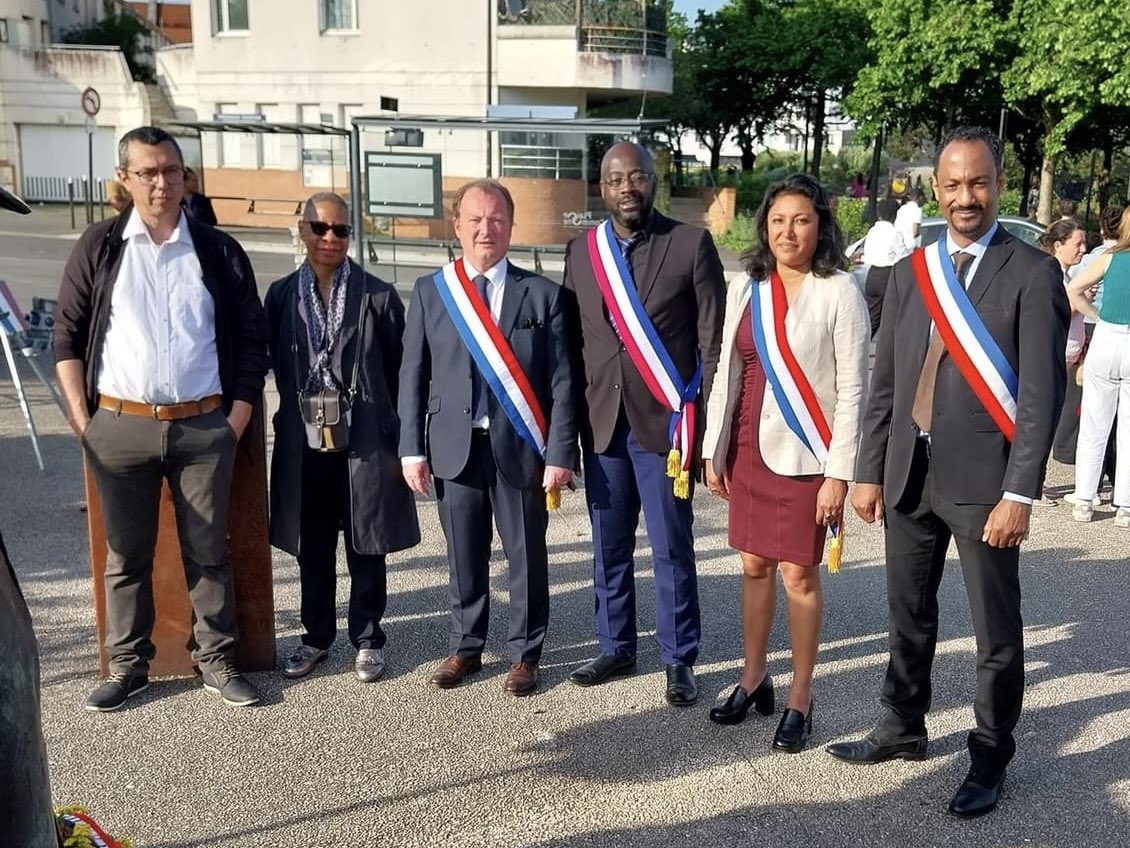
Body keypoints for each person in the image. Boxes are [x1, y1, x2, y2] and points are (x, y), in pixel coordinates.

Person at [827, 127, 1068, 818]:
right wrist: (869, 470)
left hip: (988, 484)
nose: (967, 197)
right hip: (910, 473)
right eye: (954, 185)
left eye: (980, 183)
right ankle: (902, 726)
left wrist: (1020, 491)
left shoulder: (1031, 272)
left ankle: (991, 754)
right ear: (936, 189)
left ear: (999, 185)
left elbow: (1042, 393)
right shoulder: (909, 272)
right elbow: (888, 383)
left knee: (996, 628)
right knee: (908, 614)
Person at [54, 126, 271, 711]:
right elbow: (67, 337)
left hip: (204, 426)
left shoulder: (218, 251)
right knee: (125, 554)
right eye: (147, 172)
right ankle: (128, 665)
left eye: (171, 170)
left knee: (209, 551)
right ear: (125, 179)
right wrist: (85, 423)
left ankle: (217, 660)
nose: (160, 182)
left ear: (185, 177)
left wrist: (236, 418)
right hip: (119, 427)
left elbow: (253, 340)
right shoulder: (99, 247)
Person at [701, 174, 869, 751]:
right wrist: (712, 448)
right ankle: (754, 678)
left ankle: (801, 693)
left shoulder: (840, 290)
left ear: (819, 224)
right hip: (748, 448)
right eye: (777, 220)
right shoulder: (747, 286)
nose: (787, 231)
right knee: (752, 564)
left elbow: (854, 391)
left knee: (799, 573)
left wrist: (839, 474)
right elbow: (729, 370)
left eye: (799, 219)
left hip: (807, 455)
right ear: (764, 227)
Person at [398, 178, 577, 696]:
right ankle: (466, 646)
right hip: (454, 447)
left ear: (511, 226)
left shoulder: (543, 296)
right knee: (463, 555)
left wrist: (561, 452)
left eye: (496, 219)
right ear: (457, 226)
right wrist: (412, 448)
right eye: (475, 219)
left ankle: (525, 654)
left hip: (521, 448)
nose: (486, 229)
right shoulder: (433, 292)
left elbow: (564, 384)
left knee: (526, 556)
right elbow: (412, 374)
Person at [563, 141, 725, 706]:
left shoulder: (690, 243)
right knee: (608, 546)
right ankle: (616, 645)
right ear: (601, 187)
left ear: (655, 181)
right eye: (614, 179)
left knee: (671, 547)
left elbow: (711, 342)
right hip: (603, 423)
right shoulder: (582, 252)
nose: (626, 187)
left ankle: (679, 658)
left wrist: (699, 427)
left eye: (637, 176)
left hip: (665, 427)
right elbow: (572, 344)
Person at [265, 193, 420, 683]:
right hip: (305, 440)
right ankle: (315, 638)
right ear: (302, 229)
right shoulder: (282, 295)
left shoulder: (377, 295)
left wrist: (403, 435)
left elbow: (401, 373)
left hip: (364, 440)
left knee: (366, 541)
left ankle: (369, 638)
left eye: (341, 230)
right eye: (320, 227)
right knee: (312, 543)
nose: (330, 238)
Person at [1066, 207, 1130, 526]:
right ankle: (1126, 506)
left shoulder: (1108, 257)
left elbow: (1074, 289)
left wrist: (1095, 315)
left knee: (1094, 424)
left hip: (1107, 338)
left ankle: (1084, 499)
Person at [1040, 219, 1088, 506]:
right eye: (1077, 244)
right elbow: (1049, 316)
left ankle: (1036, 479)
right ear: (1058, 246)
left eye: (1084, 244)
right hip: (1051, 357)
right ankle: (1034, 482)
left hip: (1066, 359)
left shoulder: (1068, 277)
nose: (1083, 250)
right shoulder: (1049, 275)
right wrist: (1078, 304)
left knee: (1051, 420)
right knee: (1042, 421)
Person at [861, 198, 912, 336]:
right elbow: (903, 256)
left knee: (873, 317)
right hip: (888, 275)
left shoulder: (872, 231)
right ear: (894, 214)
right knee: (893, 316)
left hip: (872, 274)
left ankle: (864, 346)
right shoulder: (894, 233)